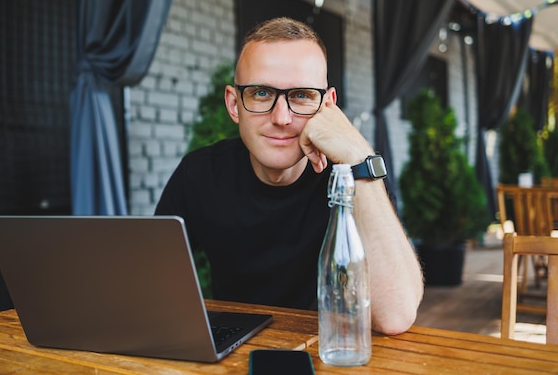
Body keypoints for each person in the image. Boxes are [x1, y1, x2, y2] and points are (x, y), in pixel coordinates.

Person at [155, 17, 423, 335]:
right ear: (234, 104)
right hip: (235, 352)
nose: (281, 118)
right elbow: (148, 285)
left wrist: (357, 154)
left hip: (331, 352)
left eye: (301, 96)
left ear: (327, 105)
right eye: (261, 93)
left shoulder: (354, 173)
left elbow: (396, 315)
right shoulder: (200, 174)